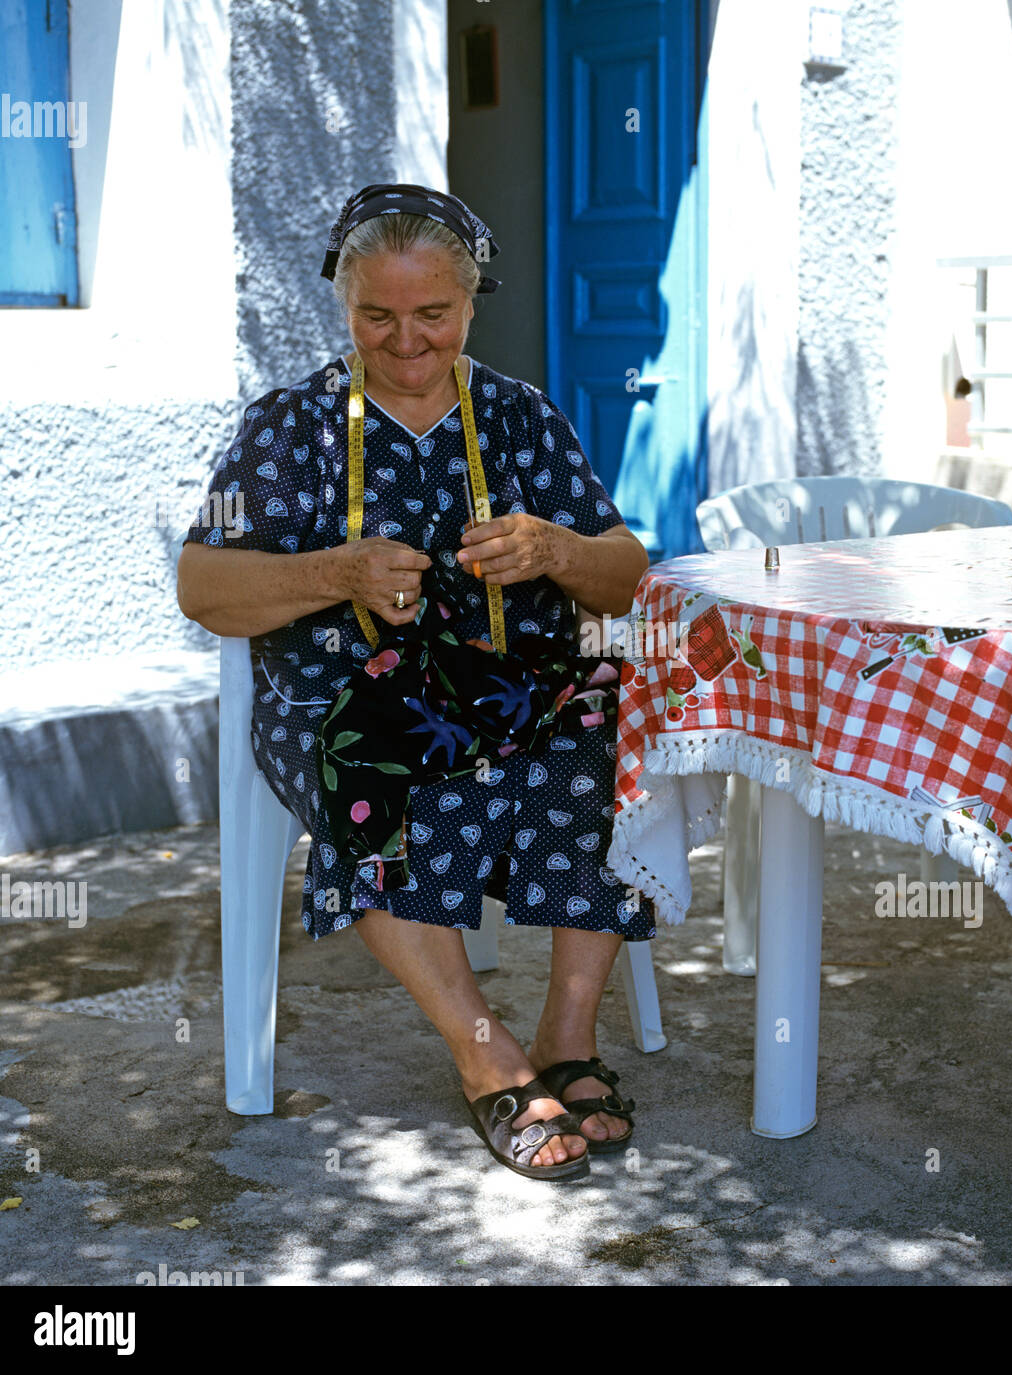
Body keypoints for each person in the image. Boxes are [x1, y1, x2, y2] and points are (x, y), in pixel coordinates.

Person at [177, 184, 652, 1180]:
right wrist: (337, 571)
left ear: (470, 305)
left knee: (613, 735)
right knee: (388, 773)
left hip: (513, 680)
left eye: (431, 314)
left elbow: (623, 569)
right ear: (344, 308)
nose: (404, 341)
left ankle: (568, 1034)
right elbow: (203, 583)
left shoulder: (520, 416)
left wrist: (556, 548)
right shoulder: (290, 427)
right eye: (376, 316)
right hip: (340, 691)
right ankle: (486, 1054)